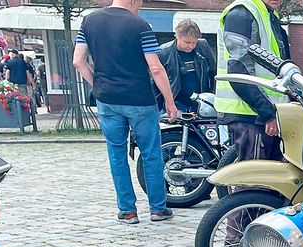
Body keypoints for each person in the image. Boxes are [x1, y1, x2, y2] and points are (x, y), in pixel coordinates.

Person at [73, 0, 178, 224]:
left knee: (117, 154)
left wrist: (98, 86)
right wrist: (170, 101)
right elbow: (156, 68)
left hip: (107, 100)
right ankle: (158, 209)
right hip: (140, 99)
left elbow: (78, 61)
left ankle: (128, 211)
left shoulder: (88, 21)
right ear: (133, 0)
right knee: (151, 153)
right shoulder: (141, 25)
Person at [216, 0, 290, 164]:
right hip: (251, 114)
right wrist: (268, 114)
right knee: (255, 180)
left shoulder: (267, 14)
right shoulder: (242, 14)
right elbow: (239, 70)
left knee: (270, 180)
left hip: (262, 113)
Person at [156, 19, 216, 114]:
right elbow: (155, 82)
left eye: (194, 42)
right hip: (175, 103)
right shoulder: (164, 52)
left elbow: (213, 72)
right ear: (177, 37)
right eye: (187, 42)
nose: (191, 46)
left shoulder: (203, 46)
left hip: (202, 103)